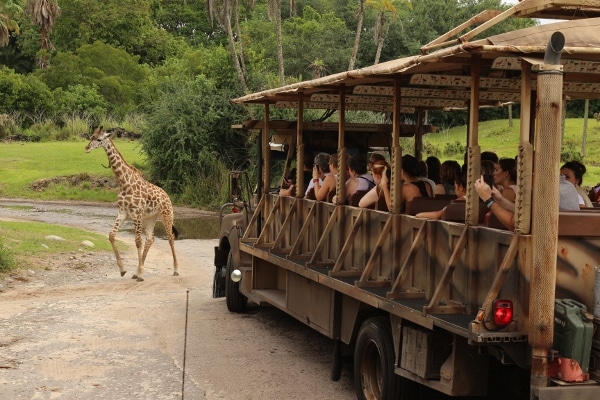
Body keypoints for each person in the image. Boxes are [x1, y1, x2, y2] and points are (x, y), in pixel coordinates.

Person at [474, 174, 581, 230]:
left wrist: (488, 200)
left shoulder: (544, 189)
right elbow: (527, 213)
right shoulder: (567, 186)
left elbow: (516, 224)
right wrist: (501, 199)